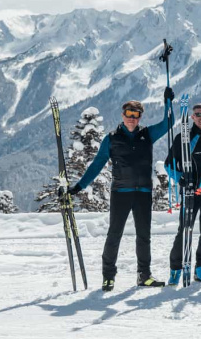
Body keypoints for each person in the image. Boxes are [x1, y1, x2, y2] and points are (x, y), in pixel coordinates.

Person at [67, 91, 174, 291]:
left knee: (144, 236)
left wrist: (168, 103)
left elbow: (169, 123)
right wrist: (79, 186)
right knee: (114, 234)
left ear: (140, 117)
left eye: (136, 115)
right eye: (128, 114)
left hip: (143, 192)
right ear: (122, 115)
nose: (132, 118)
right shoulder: (111, 139)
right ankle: (108, 277)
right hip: (121, 192)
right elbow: (97, 164)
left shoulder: (147, 134)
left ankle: (144, 275)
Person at [165, 102, 201, 284]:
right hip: (191, 192)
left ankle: (200, 268)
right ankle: (175, 269)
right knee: (185, 230)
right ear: (192, 117)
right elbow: (168, 164)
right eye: (198, 114)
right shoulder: (184, 138)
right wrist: (181, 179)